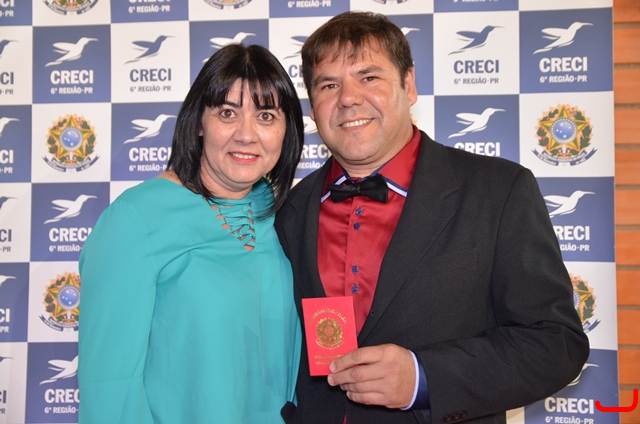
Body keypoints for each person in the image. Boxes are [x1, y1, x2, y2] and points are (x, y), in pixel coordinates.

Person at [274, 11, 590, 424]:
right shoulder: (290, 209)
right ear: (313, 106)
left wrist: (424, 378)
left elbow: (556, 345)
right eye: (328, 85)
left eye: (369, 77)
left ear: (408, 85)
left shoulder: (498, 191)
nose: (348, 98)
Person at [78, 43, 304, 424]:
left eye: (266, 116)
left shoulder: (281, 213)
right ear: (199, 122)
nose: (247, 134)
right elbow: (110, 389)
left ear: (286, 131)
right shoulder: (136, 219)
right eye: (228, 113)